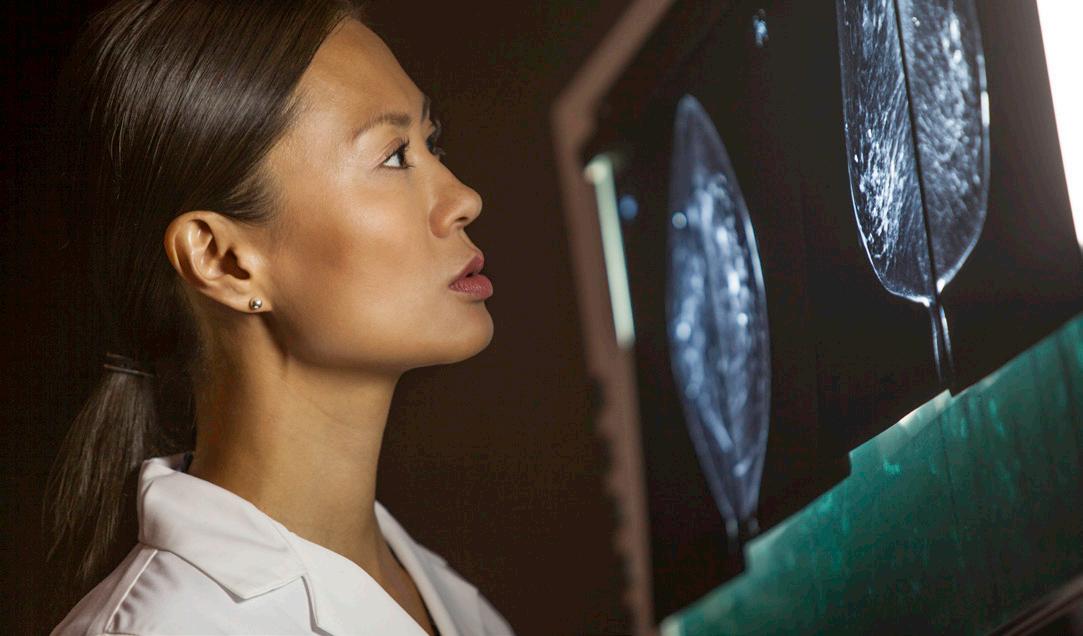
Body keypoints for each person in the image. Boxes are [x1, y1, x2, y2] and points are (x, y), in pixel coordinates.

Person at [42, 1, 511, 634]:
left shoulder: (437, 589)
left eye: (433, 143)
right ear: (224, 260)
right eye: (395, 156)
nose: (463, 198)